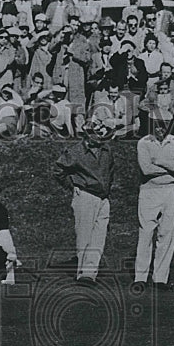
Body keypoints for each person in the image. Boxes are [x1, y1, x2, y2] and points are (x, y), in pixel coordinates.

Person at [52, 116, 115, 283]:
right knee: (84, 236)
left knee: (99, 237)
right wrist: (72, 186)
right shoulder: (75, 152)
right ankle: (81, 272)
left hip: (103, 198)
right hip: (85, 195)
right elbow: (59, 170)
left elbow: (111, 171)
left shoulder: (106, 150)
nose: (101, 136)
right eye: (97, 133)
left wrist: (107, 189)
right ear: (87, 135)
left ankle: (90, 274)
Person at [134, 108, 174, 290]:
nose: (161, 130)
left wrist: (160, 162)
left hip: (171, 190)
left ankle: (160, 279)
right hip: (149, 190)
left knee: (167, 234)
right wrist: (171, 168)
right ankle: (140, 277)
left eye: (164, 126)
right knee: (146, 232)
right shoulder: (143, 143)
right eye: (157, 126)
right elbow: (146, 169)